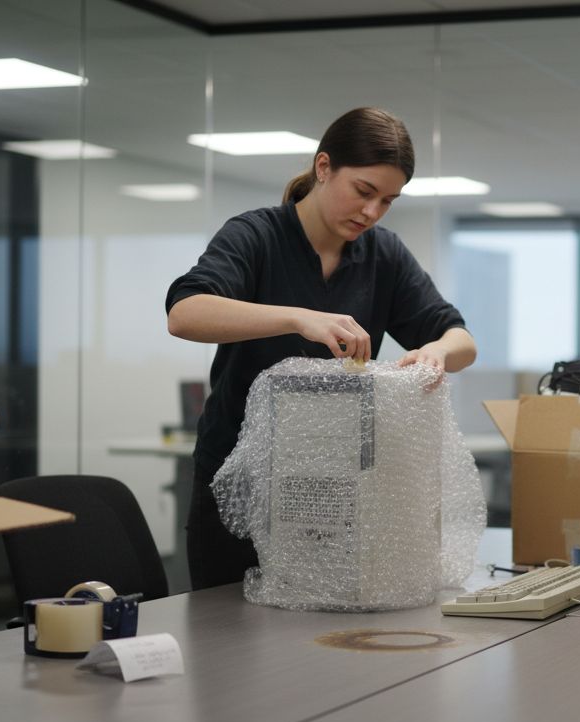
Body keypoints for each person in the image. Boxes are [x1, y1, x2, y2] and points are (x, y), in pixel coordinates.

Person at [165, 107, 477, 590]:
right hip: (240, 486)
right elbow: (185, 314)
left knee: (324, 648)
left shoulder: (383, 255)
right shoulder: (255, 236)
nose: (371, 212)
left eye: (388, 201)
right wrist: (297, 317)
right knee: (228, 644)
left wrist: (436, 350)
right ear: (324, 167)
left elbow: (461, 339)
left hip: (338, 491)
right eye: (364, 192)